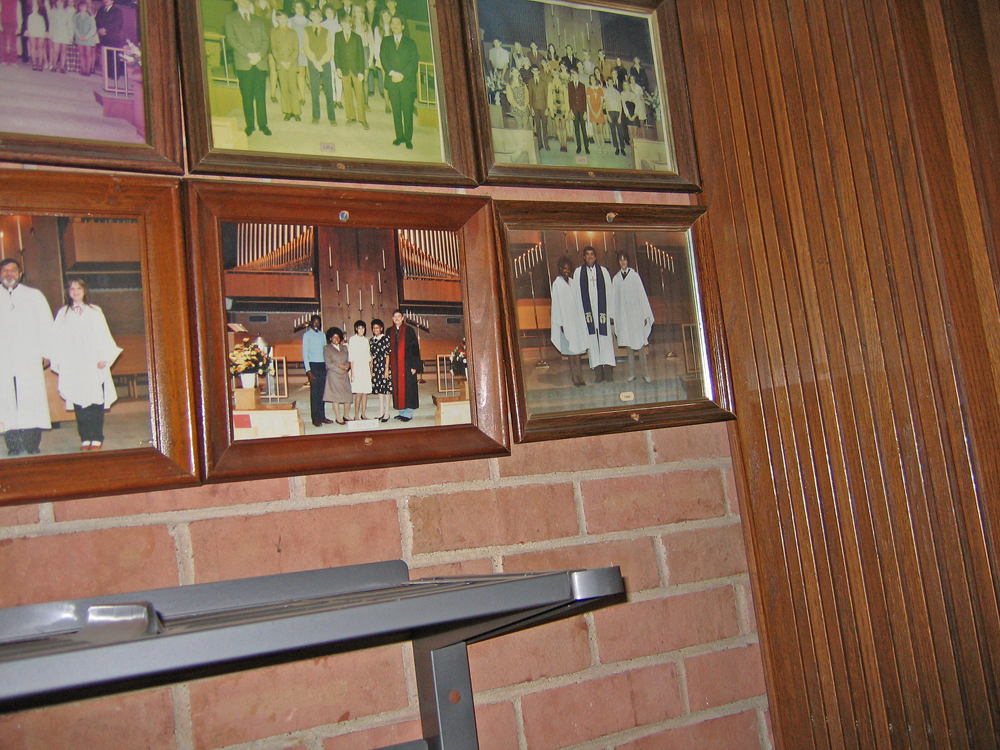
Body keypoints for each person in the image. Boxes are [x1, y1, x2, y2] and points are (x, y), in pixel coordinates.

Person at [50, 279, 122, 450]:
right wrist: (59, 360)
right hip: (73, 363)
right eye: (72, 289)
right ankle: (85, 437)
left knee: (95, 400)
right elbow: (56, 339)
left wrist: (104, 357)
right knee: (79, 400)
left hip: (93, 362)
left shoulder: (95, 311)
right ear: (68, 292)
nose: (75, 292)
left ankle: (96, 436)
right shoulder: (63, 313)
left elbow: (104, 335)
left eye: (79, 288)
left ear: (84, 291)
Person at [0, 259, 54, 456]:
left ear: (20, 274)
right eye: (4, 270)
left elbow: (46, 325)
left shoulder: (34, 295)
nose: (9, 273)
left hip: (28, 356)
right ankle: (13, 445)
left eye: (13, 270)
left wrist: (47, 352)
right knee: (6, 398)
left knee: (30, 397)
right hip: (3, 358)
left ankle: (31, 443)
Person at [224, 0, 272, 136]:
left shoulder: (258, 19)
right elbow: (231, 39)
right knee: (247, 96)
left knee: (260, 96)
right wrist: (248, 54)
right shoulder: (230, 17)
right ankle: (250, 125)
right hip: (244, 62)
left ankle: (263, 124)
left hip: (259, 62)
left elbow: (265, 40)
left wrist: (259, 55)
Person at [573, 246, 616, 383]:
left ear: (595, 257)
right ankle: (598, 374)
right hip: (588, 314)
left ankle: (608, 373)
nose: (590, 256)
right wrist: (580, 315)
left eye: (592, 254)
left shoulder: (603, 271)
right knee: (592, 342)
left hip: (602, 312)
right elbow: (576, 295)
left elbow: (610, 293)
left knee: (606, 341)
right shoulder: (578, 273)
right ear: (584, 257)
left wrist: (611, 313)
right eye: (587, 254)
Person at [610, 252, 654, 383]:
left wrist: (645, 314)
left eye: (625, 260)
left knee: (640, 346)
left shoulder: (635, 276)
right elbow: (614, 299)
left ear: (628, 261)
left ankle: (645, 373)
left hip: (636, 316)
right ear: (618, 262)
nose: (623, 262)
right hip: (624, 318)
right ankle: (631, 373)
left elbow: (642, 295)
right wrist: (614, 316)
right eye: (620, 260)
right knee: (629, 347)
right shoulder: (616, 279)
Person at [380, 14, 417, 149]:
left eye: (397, 23)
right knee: (396, 110)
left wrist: (402, 75)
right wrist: (392, 73)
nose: (395, 26)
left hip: (406, 81)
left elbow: (413, 62)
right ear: (390, 26)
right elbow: (383, 58)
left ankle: (408, 138)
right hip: (392, 80)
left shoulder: (410, 42)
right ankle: (399, 136)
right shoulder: (386, 41)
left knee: (407, 111)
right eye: (393, 23)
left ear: (402, 26)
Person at [550, 256, 587, 387]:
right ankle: (574, 376)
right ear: (560, 269)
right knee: (571, 351)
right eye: (564, 268)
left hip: (576, 320)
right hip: (566, 322)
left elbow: (579, 302)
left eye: (568, 268)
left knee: (578, 350)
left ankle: (579, 374)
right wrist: (560, 323)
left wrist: (581, 320)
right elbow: (556, 305)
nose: (567, 271)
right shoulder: (557, 284)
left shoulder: (573, 282)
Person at [334, 12, 368, 129]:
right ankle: (351, 117)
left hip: (356, 70)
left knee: (359, 94)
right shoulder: (338, 36)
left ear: (351, 24)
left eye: (347, 23)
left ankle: (362, 119)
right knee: (347, 94)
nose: (344, 25)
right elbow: (337, 53)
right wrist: (338, 67)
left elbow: (361, 56)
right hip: (344, 69)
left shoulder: (357, 37)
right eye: (342, 23)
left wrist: (361, 72)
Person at [304, 6, 336, 126]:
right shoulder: (306, 30)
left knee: (328, 89)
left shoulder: (326, 31)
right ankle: (316, 116)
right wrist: (315, 62)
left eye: (317, 15)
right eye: (313, 15)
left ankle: (332, 117)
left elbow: (329, 50)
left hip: (325, 63)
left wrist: (321, 62)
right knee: (315, 90)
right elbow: (306, 48)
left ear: (321, 18)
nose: (315, 17)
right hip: (313, 63)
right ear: (310, 17)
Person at [387, 308, 421, 421]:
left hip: (407, 365)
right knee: (398, 389)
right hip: (396, 366)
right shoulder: (389, 331)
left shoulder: (409, 330)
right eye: (395, 316)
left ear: (402, 318)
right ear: (392, 319)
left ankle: (408, 414)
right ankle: (402, 412)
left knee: (408, 388)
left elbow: (415, 349)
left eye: (399, 316)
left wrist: (414, 366)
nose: (397, 318)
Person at [271, 10, 302, 121]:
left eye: (285, 18)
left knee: (293, 88)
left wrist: (290, 62)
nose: (283, 21)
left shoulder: (293, 32)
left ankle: (296, 111)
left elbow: (296, 49)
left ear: (288, 19)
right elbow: (274, 49)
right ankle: (288, 111)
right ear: (277, 19)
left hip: (291, 64)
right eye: (280, 18)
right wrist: (281, 62)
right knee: (284, 88)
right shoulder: (273, 32)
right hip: (281, 64)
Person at [302, 314, 330, 426]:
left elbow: (325, 351)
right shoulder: (307, 335)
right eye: (314, 322)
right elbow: (305, 353)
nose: (316, 324)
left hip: (322, 365)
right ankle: (315, 418)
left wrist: (327, 367)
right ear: (311, 323)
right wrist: (308, 370)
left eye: (318, 322)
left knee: (322, 392)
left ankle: (322, 416)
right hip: (313, 365)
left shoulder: (322, 335)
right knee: (315, 393)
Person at [322, 327, 350, 424]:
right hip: (334, 375)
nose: (336, 339)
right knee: (335, 396)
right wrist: (339, 369)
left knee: (348, 395)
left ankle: (346, 415)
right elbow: (328, 363)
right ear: (330, 338)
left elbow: (348, 361)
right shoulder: (327, 348)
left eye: (338, 337)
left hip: (344, 374)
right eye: (334, 337)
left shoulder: (344, 348)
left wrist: (346, 367)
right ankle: (338, 418)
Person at [347, 319, 372, 420]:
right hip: (357, 368)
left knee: (365, 392)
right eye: (359, 328)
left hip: (365, 367)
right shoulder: (353, 339)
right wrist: (352, 372)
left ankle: (363, 414)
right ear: (356, 329)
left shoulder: (366, 340)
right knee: (359, 392)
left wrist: (370, 371)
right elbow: (351, 357)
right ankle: (356, 414)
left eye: (363, 328)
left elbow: (368, 356)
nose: (361, 330)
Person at [369, 318, 391, 422]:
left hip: (384, 365)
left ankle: (387, 413)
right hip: (376, 366)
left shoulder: (385, 338)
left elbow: (388, 354)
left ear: (381, 328)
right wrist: (371, 369)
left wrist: (386, 369)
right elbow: (372, 356)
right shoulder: (372, 340)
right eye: (374, 328)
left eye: (377, 327)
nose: (375, 329)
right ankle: (381, 412)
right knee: (379, 390)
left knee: (386, 389)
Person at [546, 66, 569, 152]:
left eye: (557, 73)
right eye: (554, 74)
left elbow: (566, 97)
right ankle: (561, 144)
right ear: (552, 75)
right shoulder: (550, 84)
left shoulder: (563, 84)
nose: (555, 75)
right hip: (555, 108)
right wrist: (551, 110)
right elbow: (549, 97)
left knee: (563, 126)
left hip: (562, 107)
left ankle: (565, 144)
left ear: (559, 74)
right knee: (557, 126)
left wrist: (567, 110)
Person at [567, 67, 589, 155]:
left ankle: (586, 147)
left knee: (583, 128)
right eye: (572, 74)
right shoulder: (569, 85)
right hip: (574, 110)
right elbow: (570, 99)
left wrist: (585, 112)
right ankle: (579, 146)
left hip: (581, 110)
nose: (574, 76)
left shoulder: (582, 85)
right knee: (576, 129)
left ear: (578, 75)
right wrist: (571, 111)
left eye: (575, 74)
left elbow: (584, 99)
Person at [527, 65, 548, 151]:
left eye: (536, 71)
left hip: (543, 107)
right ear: (532, 72)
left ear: (539, 72)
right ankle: (540, 144)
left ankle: (546, 144)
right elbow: (530, 96)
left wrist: (547, 108)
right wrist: (531, 108)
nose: (535, 72)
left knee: (544, 126)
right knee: (538, 126)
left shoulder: (543, 82)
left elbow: (546, 96)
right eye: (533, 71)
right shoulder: (530, 82)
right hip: (535, 107)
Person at [74, 0, 98, 76]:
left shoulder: (90, 16)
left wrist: (87, 36)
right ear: (79, 7)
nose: (82, 8)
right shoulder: (76, 16)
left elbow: (93, 28)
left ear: (87, 7)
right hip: (79, 37)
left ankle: (88, 70)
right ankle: (83, 69)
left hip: (88, 38)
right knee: (81, 54)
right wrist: (79, 35)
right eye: (81, 6)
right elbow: (74, 27)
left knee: (88, 54)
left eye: (84, 6)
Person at [586, 73, 607, 154]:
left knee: (601, 130)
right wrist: (593, 112)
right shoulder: (588, 89)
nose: (592, 80)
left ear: (596, 80)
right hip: (592, 111)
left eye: (593, 79)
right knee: (595, 130)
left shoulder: (600, 89)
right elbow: (588, 102)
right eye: (591, 79)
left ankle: (603, 147)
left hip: (599, 110)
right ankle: (599, 147)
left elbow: (602, 102)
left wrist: (598, 112)